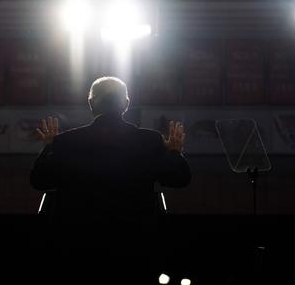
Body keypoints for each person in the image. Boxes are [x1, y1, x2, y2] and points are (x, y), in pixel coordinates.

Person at [29, 76, 191, 283]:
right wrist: (174, 153)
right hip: (136, 247)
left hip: (78, 247)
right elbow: (179, 179)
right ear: (125, 104)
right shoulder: (149, 141)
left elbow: (40, 181)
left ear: (90, 103)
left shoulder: (66, 142)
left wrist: (49, 148)